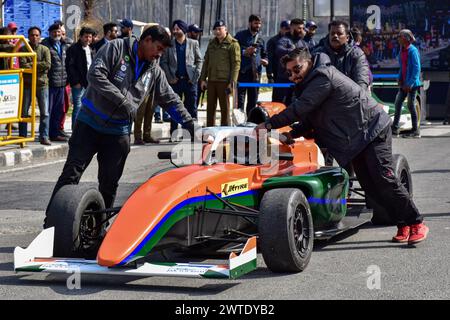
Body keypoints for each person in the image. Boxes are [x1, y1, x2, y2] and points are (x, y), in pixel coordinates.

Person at [255, 48, 429, 245]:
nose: (294, 75)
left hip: (372, 129)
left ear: (309, 63)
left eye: (297, 69)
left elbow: (300, 108)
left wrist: (268, 124)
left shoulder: (323, 77)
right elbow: (311, 118)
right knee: (371, 187)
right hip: (356, 138)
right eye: (289, 72)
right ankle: (402, 224)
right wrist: (291, 134)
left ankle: (416, 222)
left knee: (384, 179)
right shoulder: (309, 84)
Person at [47, 25, 195, 212]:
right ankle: (51, 225)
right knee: (70, 176)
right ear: (147, 40)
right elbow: (95, 75)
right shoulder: (116, 48)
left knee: (109, 186)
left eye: (163, 52)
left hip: (118, 132)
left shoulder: (154, 70)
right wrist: (123, 101)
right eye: (158, 49)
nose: (159, 55)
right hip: (89, 124)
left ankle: (99, 231)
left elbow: (169, 99)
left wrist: (190, 124)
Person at [160, 19, 203, 137]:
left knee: (191, 108)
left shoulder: (193, 44)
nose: (175, 31)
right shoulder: (169, 45)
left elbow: (199, 61)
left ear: (183, 30)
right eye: (174, 28)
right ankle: (174, 133)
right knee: (174, 108)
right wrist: (170, 78)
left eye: (177, 28)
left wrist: (194, 77)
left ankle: (191, 133)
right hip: (175, 81)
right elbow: (164, 62)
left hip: (190, 81)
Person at [200, 20, 241, 126]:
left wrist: (232, 82)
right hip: (212, 80)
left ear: (225, 29)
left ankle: (224, 133)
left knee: (225, 109)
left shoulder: (233, 44)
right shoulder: (211, 43)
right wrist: (203, 79)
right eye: (215, 29)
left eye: (220, 29)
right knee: (210, 109)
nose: (217, 32)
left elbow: (236, 65)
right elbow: (206, 61)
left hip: (224, 81)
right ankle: (210, 132)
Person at [313, 20, 371, 92]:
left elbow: (361, 80)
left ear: (347, 37)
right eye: (332, 33)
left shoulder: (357, 54)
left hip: (350, 99)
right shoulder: (317, 54)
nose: (335, 36)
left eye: (339, 33)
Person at [18, 27, 52, 145]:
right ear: (28, 36)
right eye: (32, 35)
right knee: (24, 112)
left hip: (42, 84)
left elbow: (47, 65)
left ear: (40, 36)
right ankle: (22, 137)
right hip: (27, 84)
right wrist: (38, 65)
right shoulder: (23, 49)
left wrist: (32, 63)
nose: (34, 37)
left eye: (37, 35)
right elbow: (23, 65)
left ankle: (44, 136)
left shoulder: (45, 49)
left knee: (45, 112)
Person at [235, 14, 268, 116]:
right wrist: (244, 51)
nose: (258, 25)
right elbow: (233, 51)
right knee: (240, 100)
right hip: (243, 73)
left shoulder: (261, 39)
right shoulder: (240, 36)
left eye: (259, 23)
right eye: (255, 23)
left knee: (253, 100)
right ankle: (239, 122)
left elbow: (265, 54)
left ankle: (251, 121)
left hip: (255, 75)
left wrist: (265, 60)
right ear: (250, 23)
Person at [391, 29, 422, 138]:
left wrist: (410, 83)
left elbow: (416, 69)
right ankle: (394, 128)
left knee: (410, 105)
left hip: (412, 84)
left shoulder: (413, 51)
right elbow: (402, 67)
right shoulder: (402, 50)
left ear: (406, 38)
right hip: (404, 83)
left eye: (400, 36)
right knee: (398, 103)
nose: (398, 38)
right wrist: (399, 78)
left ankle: (415, 130)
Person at [42, 23, 69, 142]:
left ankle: (55, 133)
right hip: (50, 83)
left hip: (62, 83)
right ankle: (45, 134)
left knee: (59, 110)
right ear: (49, 33)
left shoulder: (63, 44)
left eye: (58, 32)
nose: (57, 34)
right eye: (54, 32)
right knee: (48, 111)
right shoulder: (45, 45)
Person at [66, 27, 95, 128]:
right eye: (86, 37)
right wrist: (75, 82)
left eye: (90, 37)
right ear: (81, 37)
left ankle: (84, 130)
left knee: (88, 108)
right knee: (77, 107)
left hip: (89, 84)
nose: (88, 39)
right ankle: (75, 131)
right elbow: (70, 67)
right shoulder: (73, 49)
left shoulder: (91, 49)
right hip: (78, 84)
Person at [273, 18, 308, 105]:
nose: (301, 30)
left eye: (303, 28)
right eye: (299, 28)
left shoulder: (303, 42)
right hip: (284, 79)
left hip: (298, 80)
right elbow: (279, 50)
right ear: (292, 27)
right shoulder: (284, 41)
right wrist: (294, 51)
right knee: (279, 104)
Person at [266, 20, 291, 87]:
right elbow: (269, 58)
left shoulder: (291, 40)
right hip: (277, 72)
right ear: (281, 28)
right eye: (286, 29)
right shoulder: (273, 41)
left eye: (289, 29)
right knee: (278, 94)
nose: (288, 31)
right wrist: (269, 75)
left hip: (290, 72)